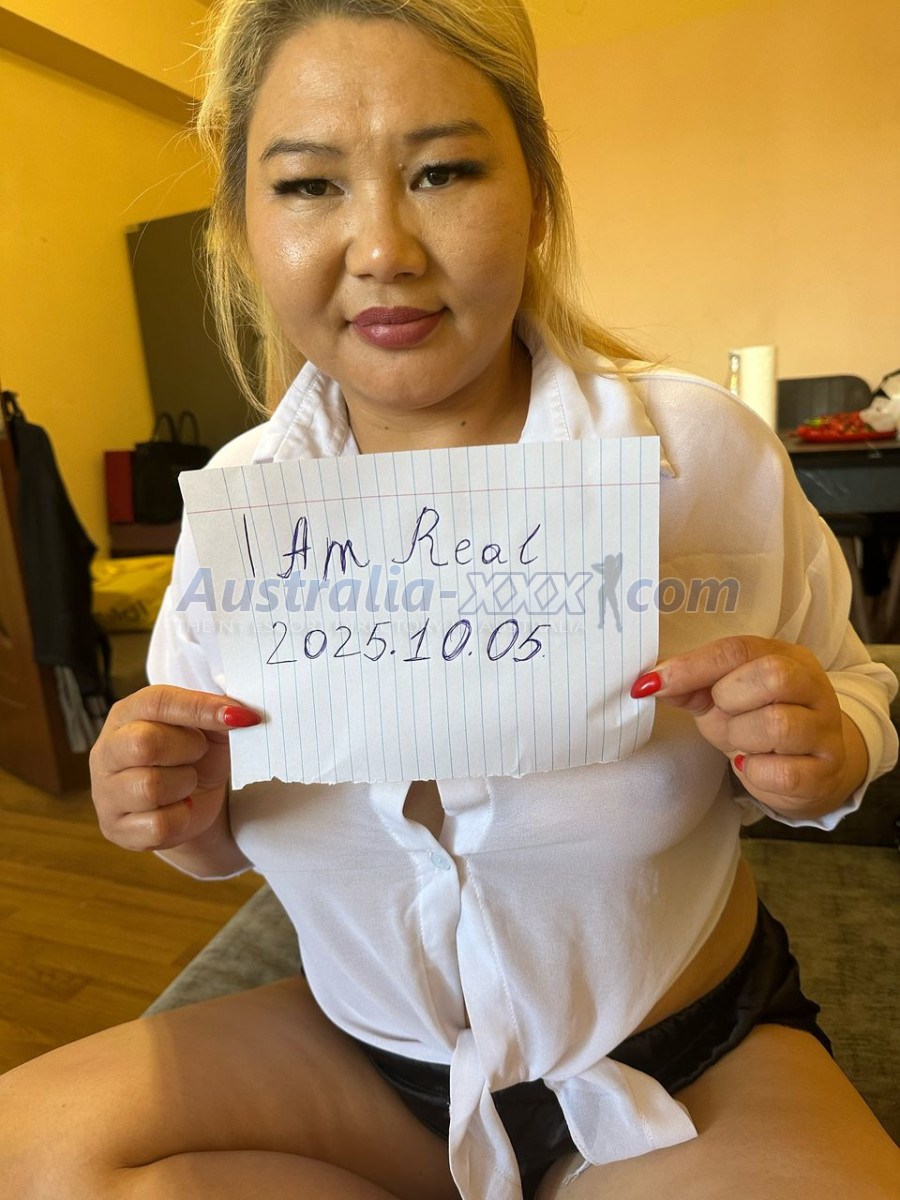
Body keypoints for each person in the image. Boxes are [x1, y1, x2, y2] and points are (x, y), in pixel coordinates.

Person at [2, 1, 898, 1197]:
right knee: (33, 1149)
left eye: (443, 171)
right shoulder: (243, 513)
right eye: (308, 186)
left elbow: (858, 686)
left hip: (686, 1063)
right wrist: (172, 810)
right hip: (371, 1064)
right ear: (244, 227)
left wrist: (827, 749)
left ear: (537, 194)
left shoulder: (699, 454)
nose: (383, 249)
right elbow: (216, 825)